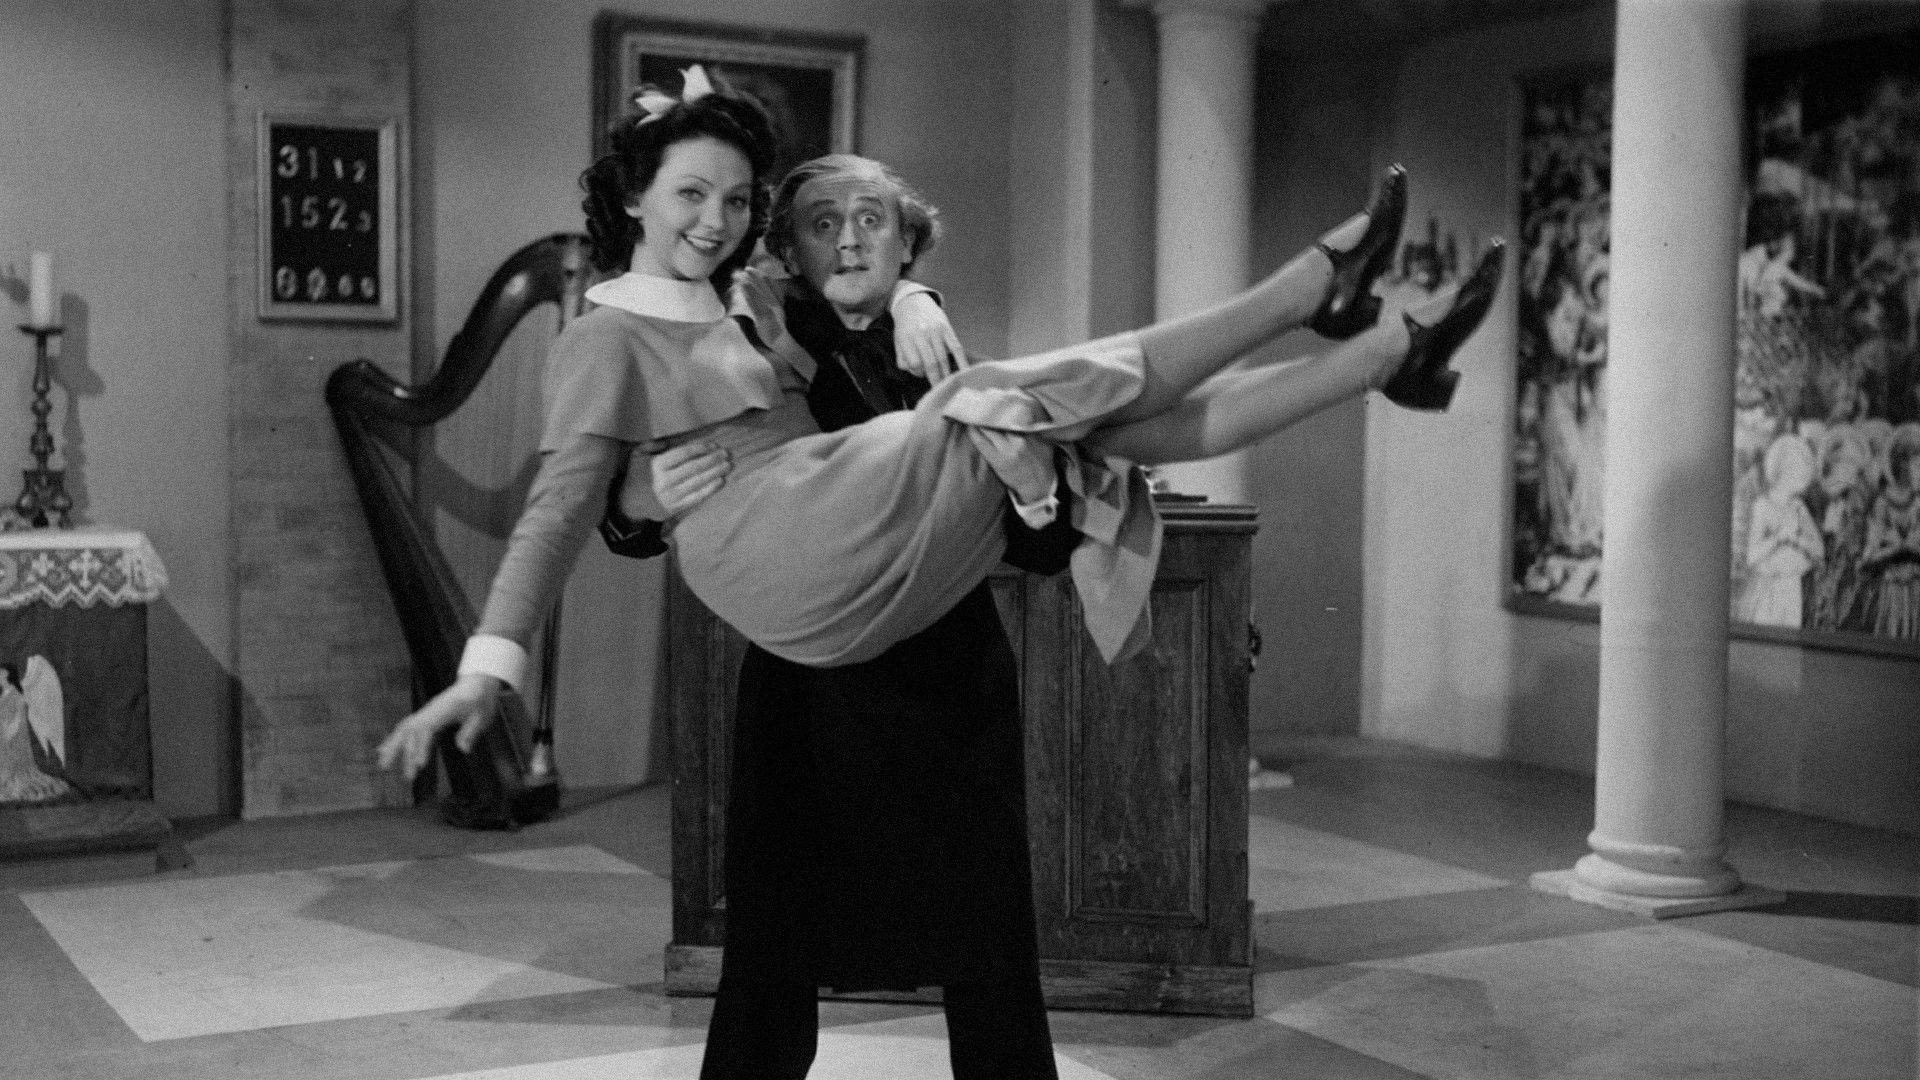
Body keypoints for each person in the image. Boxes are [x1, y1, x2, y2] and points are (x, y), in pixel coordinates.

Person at [378, 55, 1501, 1008]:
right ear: (635, 196)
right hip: (786, 556)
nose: (713, 221)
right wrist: (489, 666)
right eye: (688, 196)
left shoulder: (749, 296)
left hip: (844, 544)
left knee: (1090, 423)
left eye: (734, 200)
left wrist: (914, 294)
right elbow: (561, 504)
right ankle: (1312, 289)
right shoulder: (602, 337)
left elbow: (849, 261)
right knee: (998, 398)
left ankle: (1384, 355)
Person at [597, 150, 1079, 1080]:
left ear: (906, 242)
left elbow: (1047, 550)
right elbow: (632, 520)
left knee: (988, 946)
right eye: (823, 225)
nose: (850, 242)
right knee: (771, 949)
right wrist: (640, 497)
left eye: (871, 221)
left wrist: (1033, 490)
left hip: (947, 694)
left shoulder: (962, 369)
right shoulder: (745, 351)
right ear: (789, 252)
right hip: (804, 696)